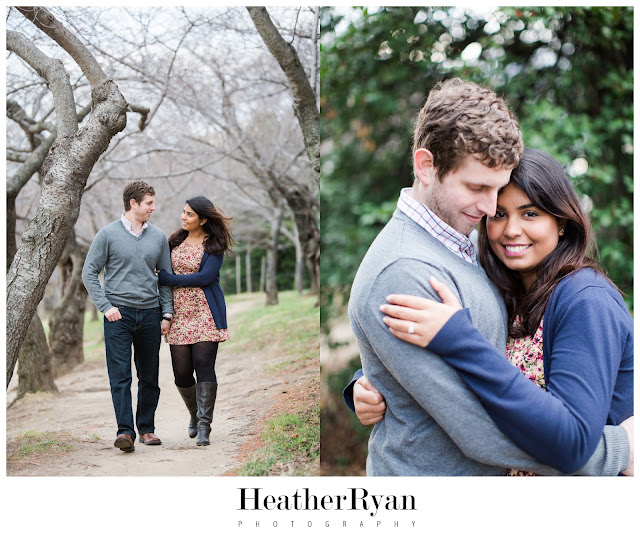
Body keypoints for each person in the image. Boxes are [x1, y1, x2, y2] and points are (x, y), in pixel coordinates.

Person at [344, 78, 631, 476]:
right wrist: (617, 452)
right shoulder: (406, 269)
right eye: (478, 187)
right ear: (426, 166)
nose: (491, 208)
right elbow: (476, 429)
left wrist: (379, 376)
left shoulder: (471, 244)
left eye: (498, 190)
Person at [82, 181, 173, 452]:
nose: (153, 208)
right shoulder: (107, 234)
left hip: (150, 313)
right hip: (117, 316)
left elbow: (165, 278)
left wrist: (166, 313)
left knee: (149, 376)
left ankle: (146, 429)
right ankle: (125, 432)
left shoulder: (158, 237)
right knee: (120, 376)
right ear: (133, 203)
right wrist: (106, 307)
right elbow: (89, 273)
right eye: (149, 203)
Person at [157, 196, 233, 446]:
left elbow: (205, 277)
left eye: (190, 214)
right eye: (183, 212)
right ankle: (194, 412)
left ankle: (204, 426)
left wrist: (169, 279)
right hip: (179, 313)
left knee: (204, 365)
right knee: (181, 373)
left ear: (203, 219)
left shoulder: (215, 244)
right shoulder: (174, 241)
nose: (184, 217)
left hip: (205, 312)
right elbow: (160, 271)